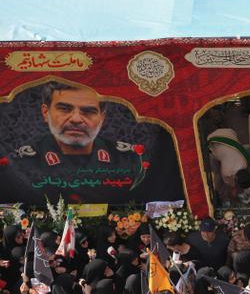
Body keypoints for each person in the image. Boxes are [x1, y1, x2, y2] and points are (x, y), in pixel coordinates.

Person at [0, 82, 180, 204]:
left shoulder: (130, 160)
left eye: (88, 111)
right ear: (45, 112)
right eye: (65, 109)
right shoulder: (21, 162)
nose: (76, 119)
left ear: (102, 117)